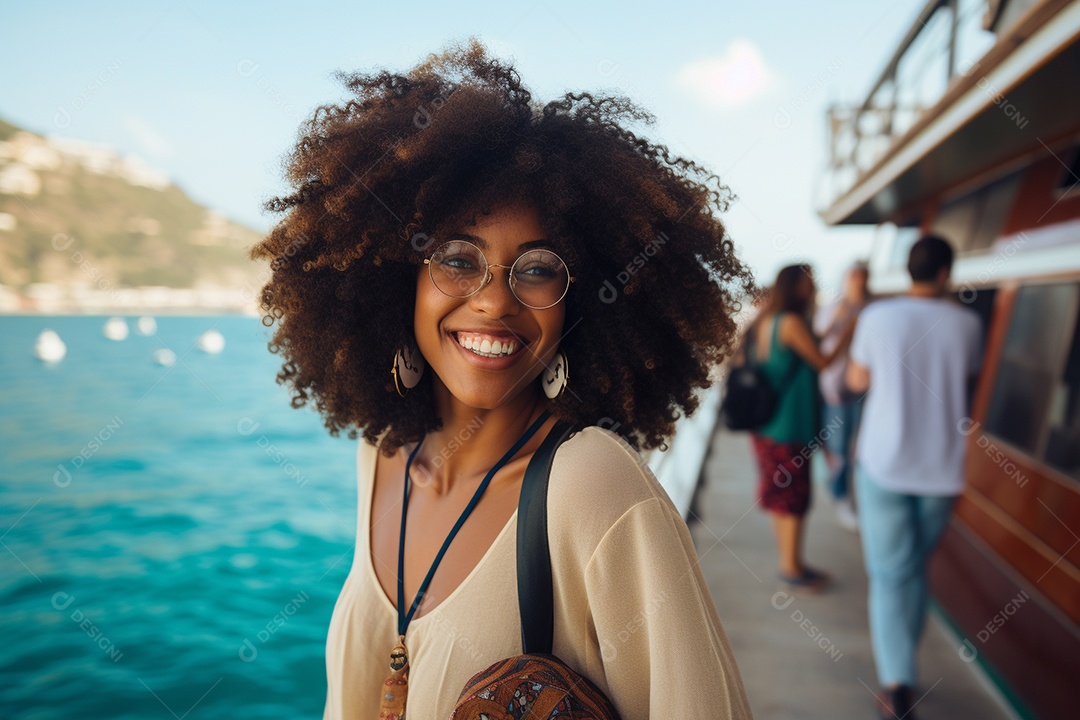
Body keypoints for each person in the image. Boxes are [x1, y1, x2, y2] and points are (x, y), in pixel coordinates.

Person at [250, 38, 755, 720]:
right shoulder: (382, 452)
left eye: (538, 268)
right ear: (401, 281)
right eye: (458, 260)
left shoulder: (594, 487)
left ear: (579, 297)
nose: (494, 301)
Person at [845, 235, 982, 720]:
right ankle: (903, 669)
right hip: (942, 469)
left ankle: (897, 686)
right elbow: (965, 380)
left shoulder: (877, 318)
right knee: (912, 569)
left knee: (889, 575)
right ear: (946, 272)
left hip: (884, 463)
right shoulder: (968, 325)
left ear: (909, 270)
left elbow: (857, 382)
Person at [747, 264, 853, 591]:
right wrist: (848, 334)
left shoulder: (772, 320)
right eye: (808, 281)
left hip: (768, 426)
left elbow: (803, 346)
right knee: (793, 499)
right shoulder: (792, 322)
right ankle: (793, 569)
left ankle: (789, 562)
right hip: (788, 429)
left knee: (781, 497)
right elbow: (821, 362)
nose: (813, 287)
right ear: (794, 285)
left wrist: (832, 326)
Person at [814, 261, 871, 531]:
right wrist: (846, 316)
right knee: (838, 445)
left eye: (863, 277)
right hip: (836, 388)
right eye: (855, 276)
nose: (859, 282)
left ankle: (839, 490)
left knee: (853, 447)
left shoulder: (873, 308)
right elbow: (821, 339)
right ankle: (840, 496)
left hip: (863, 388)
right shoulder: (834, 307)